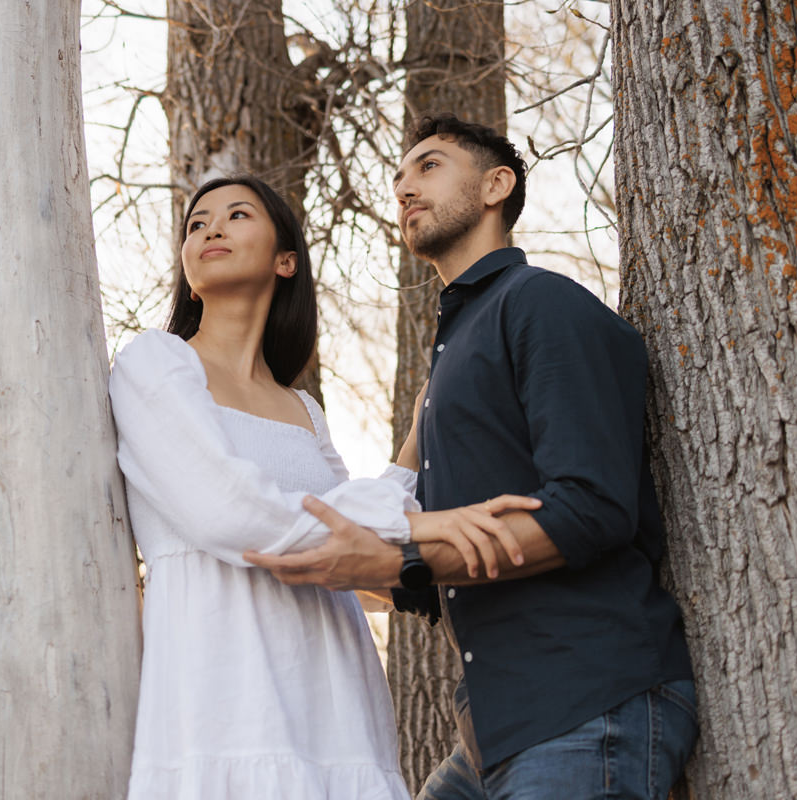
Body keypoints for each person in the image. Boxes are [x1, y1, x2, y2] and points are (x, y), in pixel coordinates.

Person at [246, 115, 698, 799]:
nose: (403, 188)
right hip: (492, 732)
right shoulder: (456, 350)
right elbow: (434, 566)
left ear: (496, 185)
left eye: (428, 166)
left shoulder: (541, 304)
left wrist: (403, 560)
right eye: (397, 178)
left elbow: (593, 508)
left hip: (587, 706)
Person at [108, 174, 539, 800]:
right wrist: (417, 527)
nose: (211, 230)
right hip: (224, 699)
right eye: (197, 224)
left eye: (235, 215)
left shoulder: (303, 409)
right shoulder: (153, 362)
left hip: (335, 704)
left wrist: (415, 446)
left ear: (287, 260)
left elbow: (362, 563)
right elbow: (229, 513)